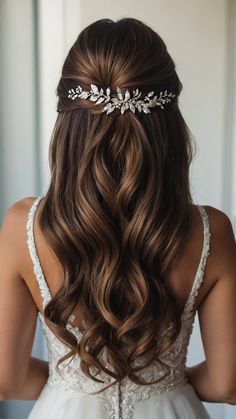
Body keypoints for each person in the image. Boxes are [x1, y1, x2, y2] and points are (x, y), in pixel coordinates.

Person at [0, 17, 235, 419]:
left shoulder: (24, 226)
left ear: (68, 121)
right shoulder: (210, 232)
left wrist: (73, 386)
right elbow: (227, 383)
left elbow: (7, 378)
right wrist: (164, 381)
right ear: (169, 124)